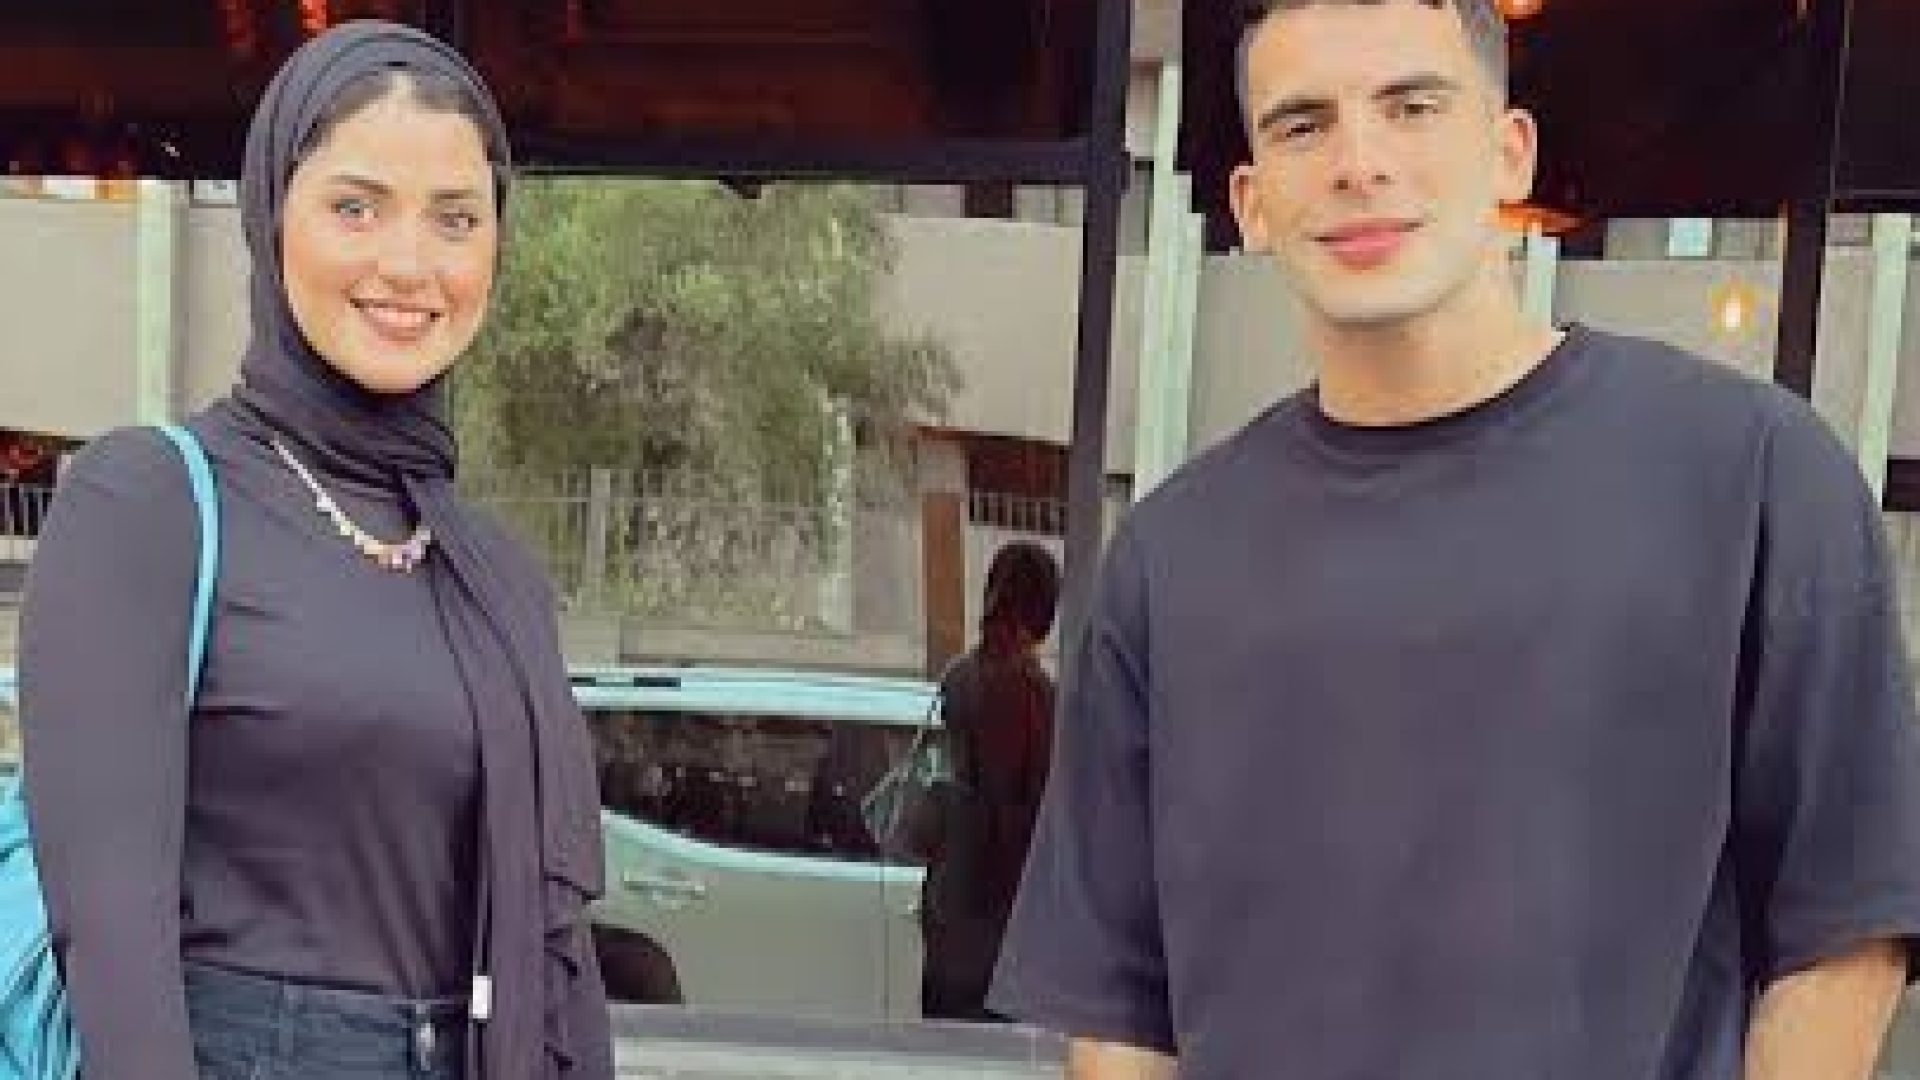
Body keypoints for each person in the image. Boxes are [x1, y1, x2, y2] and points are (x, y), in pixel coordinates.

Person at [986, 2, 1920, 1078]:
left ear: (1510, 151)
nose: (1359, 163)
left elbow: (1845, 933)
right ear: (1251, 202)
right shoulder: (1169, 557)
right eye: (1303, 125)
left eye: (1412, 106)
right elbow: (1118, 1004)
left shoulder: (1752, 476)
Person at [19, 21, 611, 1080]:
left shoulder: (493, 577)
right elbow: (110, 940)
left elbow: (558, 965)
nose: (408, 264)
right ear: (270, 217)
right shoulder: (148, 503)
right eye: (355, 206)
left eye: (455, 218)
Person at [921, 541, 1059, 1022]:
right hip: (999, 919)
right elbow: (1029, 808)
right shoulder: (1032, 692)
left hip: (947, 904)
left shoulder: (958, 676)